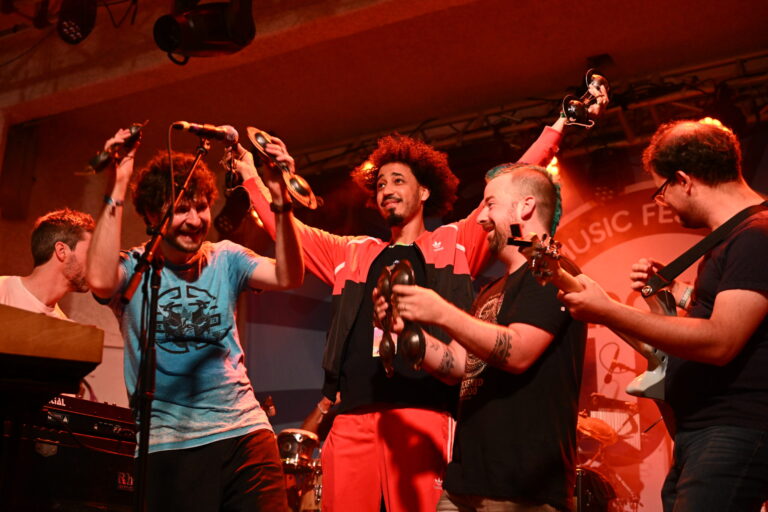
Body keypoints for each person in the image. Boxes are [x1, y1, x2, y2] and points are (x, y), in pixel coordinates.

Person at [225, 107, 599, 511]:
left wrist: (558, 128)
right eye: (381, 183)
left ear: (424, 192)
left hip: (426, 413)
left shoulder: (454, 241)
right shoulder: (350, 252)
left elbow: (516, 185)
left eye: (398, 180)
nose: (386, 189)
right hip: (353, 418)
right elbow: (286, 229)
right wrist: (249, 173)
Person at [86, 128, 304, 512]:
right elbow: (100, 280)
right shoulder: (135, 269)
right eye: (180, 208)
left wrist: (280, 198)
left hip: (243, 432)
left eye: (201, 206)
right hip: (168, 445)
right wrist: (118, 182)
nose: (194, 219)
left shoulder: (226, 257)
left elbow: (289, 276)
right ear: (153, 215)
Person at [558, 119, 768, 511]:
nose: (663, 201)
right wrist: (678, 294)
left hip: (734, 431)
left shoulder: (755, 235)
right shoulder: (736, 240)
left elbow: (722, 340)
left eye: (661, 189)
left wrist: (608, 311)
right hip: (708, 432)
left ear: (684, 180)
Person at [377, 163, 586, 511]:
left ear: (525, 207)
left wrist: (441, 311)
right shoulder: (490, 290)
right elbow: (458, 365)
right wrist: (405, 329)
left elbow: (518, 352)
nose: (481, 218)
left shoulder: (554, 272)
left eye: (490, 204)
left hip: (521, 492)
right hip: (464, 485)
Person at [0, 208, 94, 319]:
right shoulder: (2, 290)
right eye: (91, 252)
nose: (95, 263)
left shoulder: (64, 328)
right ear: (61, 251)